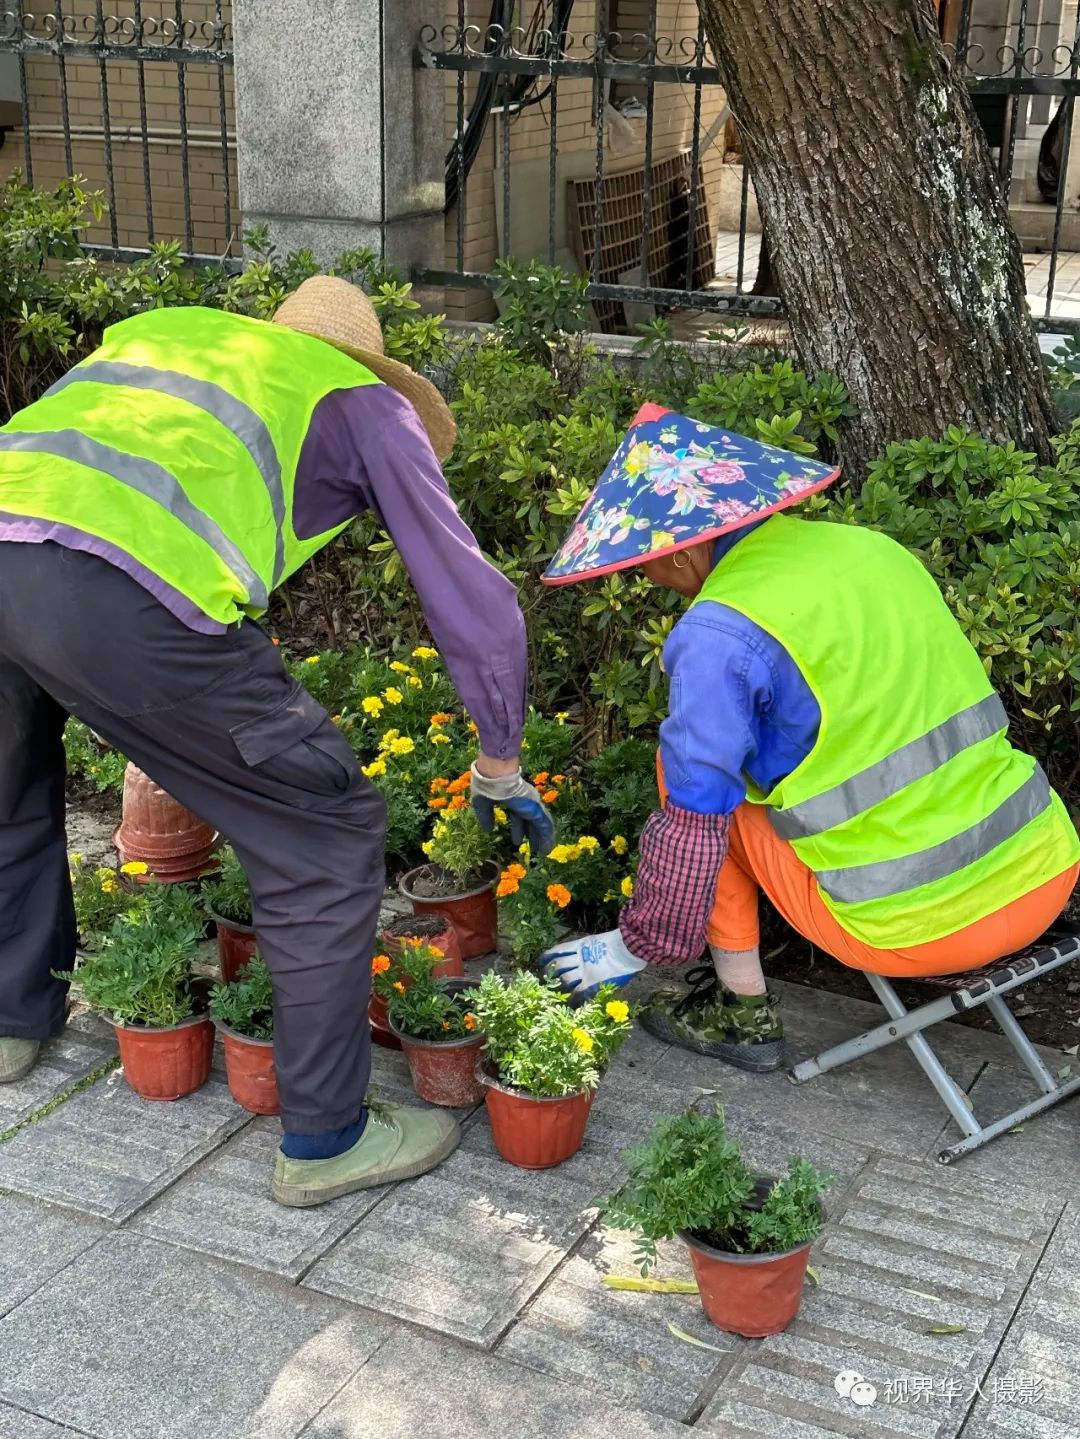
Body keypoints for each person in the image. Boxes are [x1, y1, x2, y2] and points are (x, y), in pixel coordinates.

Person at [0, 276, 553, 1206]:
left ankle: (12, 1020)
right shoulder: (366, 404)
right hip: (118, 596)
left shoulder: (170, 336)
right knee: (327, 828)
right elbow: (473, 600)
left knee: (9, 793)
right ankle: (329, 1137)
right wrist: (500, 757)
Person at [541, 404, 1080, 1071]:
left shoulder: (717, 633)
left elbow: (693, 818)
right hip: (1044, 869)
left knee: (692, 774)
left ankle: (741, 1014)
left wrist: (631, 944)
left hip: (916, 927)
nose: (642, 579)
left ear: (681, 547)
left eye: (640, 563)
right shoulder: (874, 550)